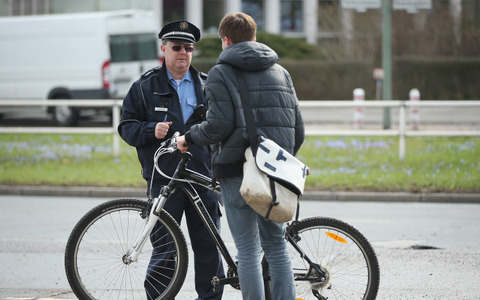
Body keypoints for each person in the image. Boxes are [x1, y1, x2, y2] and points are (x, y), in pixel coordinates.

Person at [177, 12, 304, 300]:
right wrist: (279, 159)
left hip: (238, 170)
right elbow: (298, 129)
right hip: (276, 172)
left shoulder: (221, 73)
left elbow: (218, 125)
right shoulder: (281, 72)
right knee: (276, 247)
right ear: (255, 37)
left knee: (247, 250)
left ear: (225, 40)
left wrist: (188, 138)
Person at [118, 20, 224, 300]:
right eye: (176, 47)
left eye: (188, 48)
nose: (183, 53)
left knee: (209, 246)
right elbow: (125, 126)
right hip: (164, 180)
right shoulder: (143, 86)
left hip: (203, 177)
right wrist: (149, 130)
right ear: (163, 48)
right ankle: (159, 297)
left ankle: (211, 298)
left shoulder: (207, 85)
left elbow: (222, 127)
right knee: (164, 246)